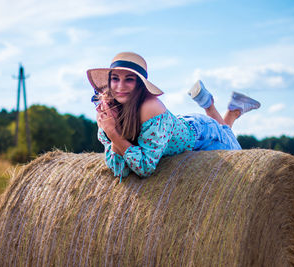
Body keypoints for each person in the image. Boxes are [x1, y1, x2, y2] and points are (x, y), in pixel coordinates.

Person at [87, 52, 260, 182]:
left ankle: (225, 109)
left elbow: (145, 167)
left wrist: (113, 134)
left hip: (202, 136)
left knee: (239, 161)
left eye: (129, 79)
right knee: (227, 133)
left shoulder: (151, 107)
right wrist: (112, 131)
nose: (120, 86)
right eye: (115, 79)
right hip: (176, 127)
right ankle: (220, 106)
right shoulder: (107, 110)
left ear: (140, 84)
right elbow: (120, 170)